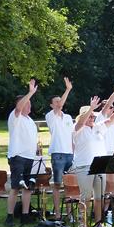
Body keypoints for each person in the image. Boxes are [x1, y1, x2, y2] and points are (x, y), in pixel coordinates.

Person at [72, 91, 114, 227]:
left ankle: (99, 223)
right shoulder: (77, 128)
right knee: (86, 196)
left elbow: (111, 120)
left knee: (99, 196)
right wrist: (91, 108)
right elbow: (80, 123)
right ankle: (83, 224)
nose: (92, 117)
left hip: (99, 165)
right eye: (90, 116)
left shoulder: (97, 127)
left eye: (93, 116)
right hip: (84, 166)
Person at [4, 80, 40, 227]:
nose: (30, 105)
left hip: (30, 157)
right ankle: (9, 217)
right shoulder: (15, 117)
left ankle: (25, 215)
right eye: (27, 103)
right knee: (15, 187)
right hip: (18, 156)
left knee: (28, 187)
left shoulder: (30, 120)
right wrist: (30, 92)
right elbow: (19, 108)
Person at [45, 77, 74, 217]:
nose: (59, 103)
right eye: (56, 102)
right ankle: (57, 214)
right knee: (57, 185)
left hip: (69, 154)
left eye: (59, 100)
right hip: (58, 154)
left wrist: (74, 152)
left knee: (70, 185)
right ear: (51, 105)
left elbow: (72, 136)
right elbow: (59, 107)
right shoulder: (50, 116)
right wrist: (68, 89)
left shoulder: (68, 117)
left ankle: (69, 213)